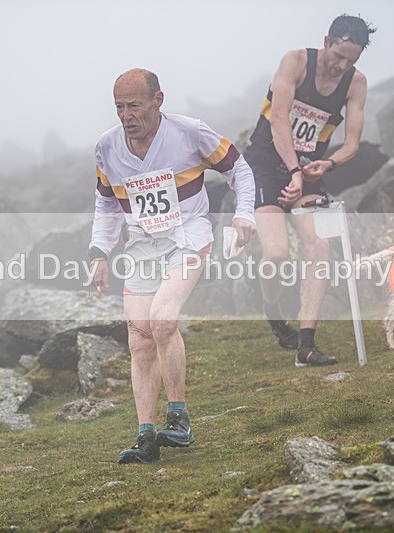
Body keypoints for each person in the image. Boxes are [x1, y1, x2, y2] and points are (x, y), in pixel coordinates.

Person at [88, 68, 256, 463]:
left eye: (134, 106)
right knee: (139, 339)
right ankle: (146, 438)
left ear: (157, 101)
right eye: (118, 107)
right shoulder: (106, 147)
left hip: (188, 235)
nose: (126, 115)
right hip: (142, 246)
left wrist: (243, 213)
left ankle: (179, 419)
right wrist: (99, 251)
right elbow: (107, 203)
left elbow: (239, 169)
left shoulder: (190, 132)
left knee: (163, 320)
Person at [243, 14, 375, 366]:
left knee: (318, 246)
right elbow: (279, 118)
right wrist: (292, 171)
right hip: (265, 166)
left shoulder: (356, 83)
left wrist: (328, 164)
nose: (342, 66)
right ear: (327, 41)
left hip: (309, 171)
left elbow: (352, 144)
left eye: (351, 61)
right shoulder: (296, 61)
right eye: (339, 56)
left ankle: (306, 345)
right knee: (276, 255)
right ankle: (272, 309)